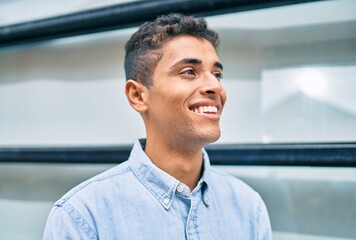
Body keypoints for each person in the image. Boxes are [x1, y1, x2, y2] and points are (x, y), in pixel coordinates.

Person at [43, 13, 272, 239]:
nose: (215, 86)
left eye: (217, 74)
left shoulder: (249, 208)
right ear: (137, 96)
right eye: (189, 72)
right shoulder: (82, 216)